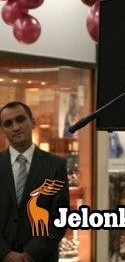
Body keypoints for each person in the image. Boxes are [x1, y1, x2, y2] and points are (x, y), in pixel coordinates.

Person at [0, 101, 69, 262]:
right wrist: (5, 254)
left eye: (20, 119)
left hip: (41, 258)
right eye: (8, 123)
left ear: (32, 122)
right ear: (3, 131)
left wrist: (30, 254)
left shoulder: (56, 165)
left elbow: (60, 217)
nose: (15, 127)